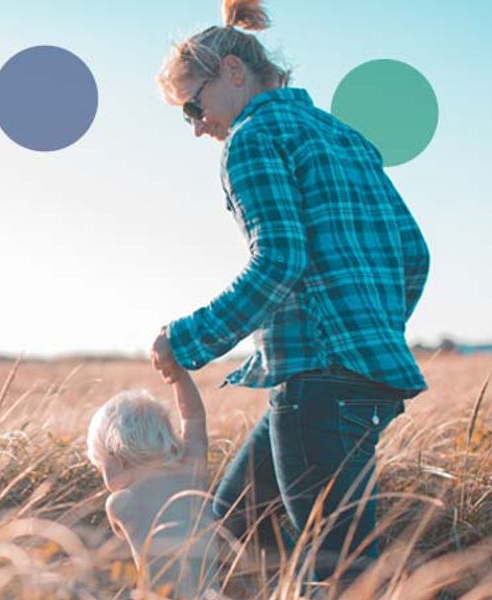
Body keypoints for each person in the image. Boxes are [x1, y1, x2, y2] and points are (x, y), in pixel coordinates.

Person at [148, 0, 430, 592]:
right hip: (362, 377)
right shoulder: (345, 137)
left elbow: (279, 260)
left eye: (192, 109)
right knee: (230, 537)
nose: (198, 126)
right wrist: (369, 332)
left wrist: (186, 340)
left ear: (232, 71)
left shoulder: (251, 138)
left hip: (317, 387)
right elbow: (414, 255)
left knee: (342, 576)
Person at [86, 367, 225, 598]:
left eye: (101, 467)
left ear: (118, 458)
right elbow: (193, 418)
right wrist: (178, 377)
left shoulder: (119, 503)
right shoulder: (191, 473)